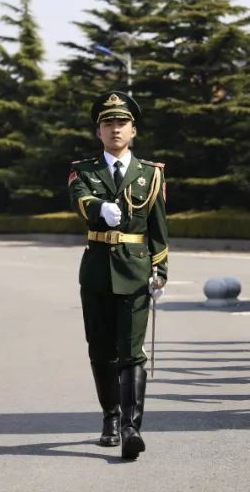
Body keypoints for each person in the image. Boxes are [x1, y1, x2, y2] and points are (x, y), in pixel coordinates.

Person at [68, 91, 168, 460]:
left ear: (133, 130)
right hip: (96, 272)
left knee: (131, 354)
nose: (114, 129)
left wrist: (161, 272)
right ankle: (110, 416)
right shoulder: (85, 169)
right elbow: (78, 197)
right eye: (107, 123)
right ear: (99, 131)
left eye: (121, 123)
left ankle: (131, 427)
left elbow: (159, 228)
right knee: (101, 352)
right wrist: (97, 208)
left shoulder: (150, 174)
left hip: (136, 270)